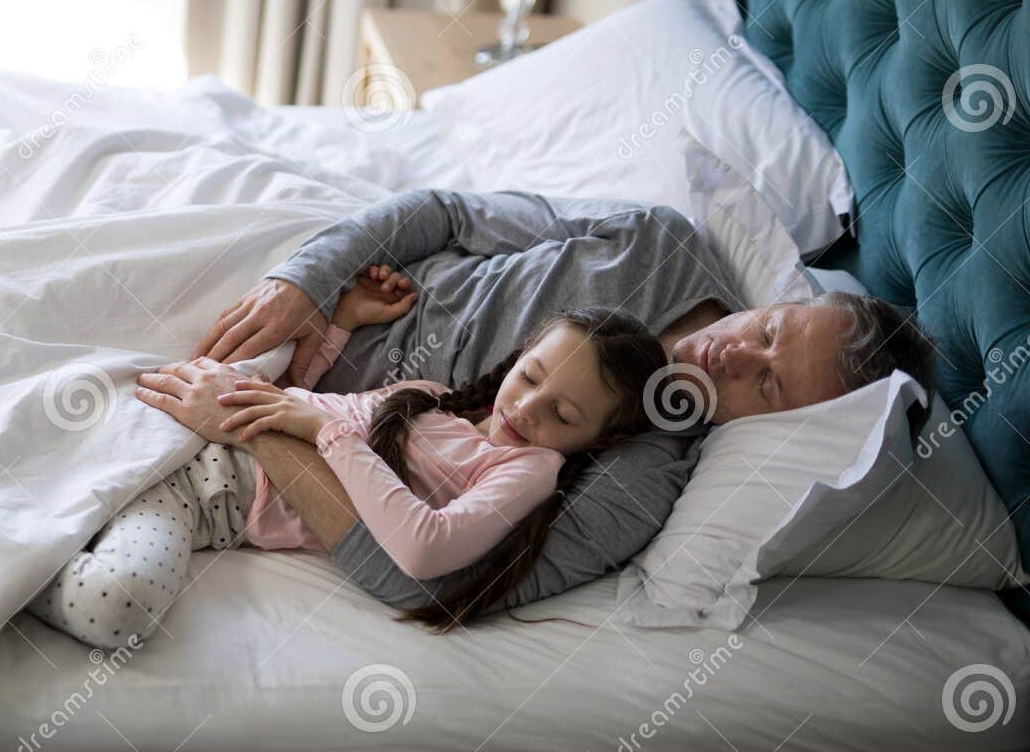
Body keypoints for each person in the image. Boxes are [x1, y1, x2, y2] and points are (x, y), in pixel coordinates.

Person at [138, 189, 936, 615]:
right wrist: (308, 279)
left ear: (782, 425)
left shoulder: (641, 475)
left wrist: (254, 422)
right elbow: (448, 214)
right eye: (770, 328)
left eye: (766, 382)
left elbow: (422, 582)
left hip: (271, 415)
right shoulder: (658, 239)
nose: (735, 350)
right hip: (323, 295)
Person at [27, 266, 666, 647]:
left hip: (212, 488)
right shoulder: (435, 398)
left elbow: (424, 548)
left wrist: (327, 436)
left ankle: (5, 567)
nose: (527, 411)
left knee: (121, 607)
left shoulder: (529, 471)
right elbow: (318, 395)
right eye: (531, 378)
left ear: (600, 441)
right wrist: (345, 320)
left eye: (564, 416)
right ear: (520, 356)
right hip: (196, 423)